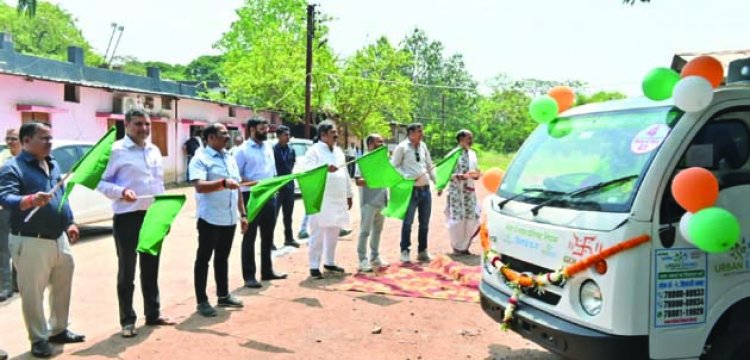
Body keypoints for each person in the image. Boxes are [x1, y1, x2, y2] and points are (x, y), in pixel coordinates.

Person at [0, 122, 85, 358]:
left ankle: (58, 329)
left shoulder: (53, 164)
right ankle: (38, 339)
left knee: (62, 285)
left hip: (58, 238)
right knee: (33, 293)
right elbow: (5, 197)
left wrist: (70, 222)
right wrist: (29, 200)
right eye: (44, 138)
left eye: (51, 138)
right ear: (26, 141)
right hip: (30, 241)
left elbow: (62, 195)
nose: (50, 143)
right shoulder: (12, 167)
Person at [97, 109, 176, 338]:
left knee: (151, 268)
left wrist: (164, 216)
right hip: (128, 217)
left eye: (147, 124)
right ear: (127, 124)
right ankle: (127, 320)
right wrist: (121, 191)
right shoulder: (116, 151)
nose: (144, 129)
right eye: (139, 124)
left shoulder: (154, 150)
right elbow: (100, 182)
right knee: (127, 271)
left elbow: (158, 185)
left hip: (152, 216)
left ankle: (153, 313)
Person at [189, 123, 246, 317]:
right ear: (210, 137)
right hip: (209, 218)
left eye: (227, 134)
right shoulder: (200, 158)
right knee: (203, 259)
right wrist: (222, 183)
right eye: (223, 134)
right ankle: (202, 301)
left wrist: (243, 214)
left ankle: (223, 294)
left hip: (228, 217)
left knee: (222, 258)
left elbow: (237, 187)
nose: (227, 137)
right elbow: (199, 186)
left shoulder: (229, 157)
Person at [235, 118, 287, 289]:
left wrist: (272, 188)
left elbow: (271, 171)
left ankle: (267, 270)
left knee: (268, 235)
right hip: (251, 195)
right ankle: (249, 275)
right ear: (251, 129)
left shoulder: (268, 148)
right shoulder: (242, 151)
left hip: (269, 195)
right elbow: (236, 176)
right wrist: (254, 183)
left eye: (266, 128)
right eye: (262, 128)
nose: (265, 131)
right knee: (249, 236)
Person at [305, 120, 353, 279]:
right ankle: (313, 265)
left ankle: (329, 262)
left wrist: (349, 194)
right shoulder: (314, 151)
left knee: (334, 230)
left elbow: (345, 173)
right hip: (321, 198)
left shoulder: (339, 151)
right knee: (317, 232)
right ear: (323, 135)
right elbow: (307, 171)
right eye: (333, 132)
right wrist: (325, 168)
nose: (336, 135)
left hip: (337, 197)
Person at [392, 123, 436, 263]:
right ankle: (404, 251)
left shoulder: (423, 146)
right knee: (408, 222)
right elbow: (394, 166)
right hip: (411, 190)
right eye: (418, 131)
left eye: (421, 131)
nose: (421, 133)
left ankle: (422, 251)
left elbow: (429, 165)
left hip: (425, 189)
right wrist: (405, 176)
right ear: (410, 133)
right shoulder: (402, 147)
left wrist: (436, 182)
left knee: (424, 223)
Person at [355, 134, 388, 272]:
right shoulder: (363, 160)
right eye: (378, 142)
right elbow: (358, 181)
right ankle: (363, 259)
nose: (381, 144)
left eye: (382, 142)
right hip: (368, 201)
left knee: (378, 230)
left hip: (381, 200)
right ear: (369, 144)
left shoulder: (384, 160)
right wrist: (373, 179)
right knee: (365, 231)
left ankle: (375, 256)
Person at [445, 130, 481, 255]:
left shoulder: (472, 154)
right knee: (458, 220)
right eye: (468, 138)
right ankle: (457, 246)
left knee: (471, 218)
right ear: (461, 139)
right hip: (457, 193)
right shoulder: (452, 155)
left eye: (471, 138)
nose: (471, 141)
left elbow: (476, 172)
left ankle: (465, 246)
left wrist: (476, 175)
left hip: (469, 192)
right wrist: (460, 176)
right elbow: (445, 174)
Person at [0, 128, 21, 302]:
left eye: (13, 138)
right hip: (5, 209)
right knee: (4, 248)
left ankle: (17, 283)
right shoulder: (3, 158)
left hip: (23, 209)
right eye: (8, 139)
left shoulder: (27, 160)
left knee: (20, 247)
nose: (10, 142)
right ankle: (5, 287)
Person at [272, 125, 300, 248]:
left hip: (289, 186)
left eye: (288, 135)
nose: (288, 137)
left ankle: (288, 238)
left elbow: (292, 164)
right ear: (278, 136)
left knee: (288, 215)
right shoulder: (273, 150)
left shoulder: (292, 150)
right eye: (285, 135)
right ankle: (270, 241)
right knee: (274, 215)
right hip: (277, 187)